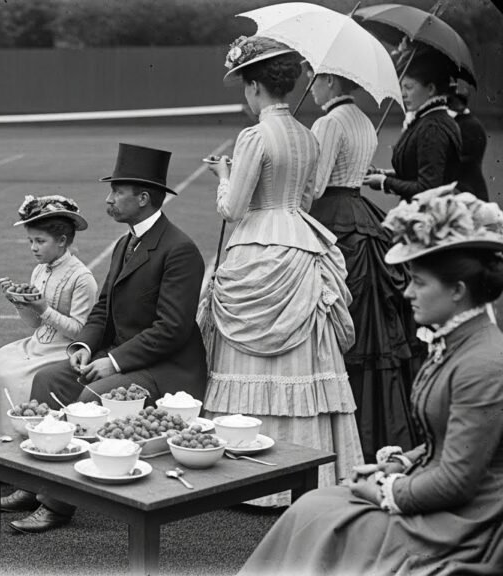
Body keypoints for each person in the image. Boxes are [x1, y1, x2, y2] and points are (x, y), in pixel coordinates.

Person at [240, 184, 503, 575]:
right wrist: (398, 463)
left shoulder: (483, 363)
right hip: (440, 500)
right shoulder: (458, 343)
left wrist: (384, 490)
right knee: (314, 507)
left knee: (327, 519)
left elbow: (456, 481)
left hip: (464, 523)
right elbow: (447, 442)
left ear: (458, 291)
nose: (408, 292)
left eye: (420, 282)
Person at [7, 143, 208, 533]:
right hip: (125, 357)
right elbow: (103, 309)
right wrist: (84, 347)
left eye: (117, 192)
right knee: (47, 380)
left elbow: (171, 329)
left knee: (91, 401)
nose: (108, 199)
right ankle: (38, 483)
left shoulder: (179, 250)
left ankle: (57, 504)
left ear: (143, 198)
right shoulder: (125, 242)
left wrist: (114, 361)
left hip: (165, 368)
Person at [201, 36, 363, 506]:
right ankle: (306, 473)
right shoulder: (308, 136)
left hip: (257, 242)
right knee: (305, 364)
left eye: (244, 87)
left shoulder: (254, 136)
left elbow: (232, 209)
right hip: (301, 244)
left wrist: (224, 176)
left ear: (255, 86)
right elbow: (308, 197)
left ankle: (247, 475)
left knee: (247, 360)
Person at [304, 65, 423, 462]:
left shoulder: (329, 123)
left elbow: (316, 186)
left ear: (330, 80)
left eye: (314, 78)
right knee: (371, 332)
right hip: (361, 215)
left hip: (333, 217)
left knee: (336, 326)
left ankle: (339, 431)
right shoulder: (364, 121)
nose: (311, 87)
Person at [0, 195, 98, 442]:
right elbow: (35, 324)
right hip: (37, 343)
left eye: (40, 241)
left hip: (64, 351)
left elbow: (80, 332)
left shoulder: (82, 278)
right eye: (30, 241)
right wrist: (19, 302)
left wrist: (43, 308)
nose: (33, 248)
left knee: (14, 378)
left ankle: (20, 441)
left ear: (62, 241)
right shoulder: (39, 270)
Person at [364, 51, 462, 200]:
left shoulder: (433, 128)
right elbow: (414, 173)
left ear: (431, 89)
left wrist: (385, 182)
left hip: (427, 212)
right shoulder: (425, 120)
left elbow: (427, 188)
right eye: (401, 87)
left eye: (409, 87)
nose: (402, 94)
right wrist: (382, 174)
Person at [447, 82, 489, 202]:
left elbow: (464, 160)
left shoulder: (472, 126)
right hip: (460, 189)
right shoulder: (457, 122)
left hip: (469, 190)